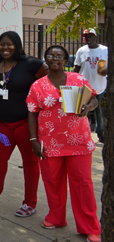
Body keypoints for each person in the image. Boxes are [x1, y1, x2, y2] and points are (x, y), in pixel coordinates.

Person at [27, 45, 101, 242]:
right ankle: (56, 217)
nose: (54, 59)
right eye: (50, 55)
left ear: (66, 60)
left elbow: (94, 98)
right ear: (46, 59)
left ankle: (90, 227)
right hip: (49, 142)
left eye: (59, 56)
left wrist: (88, 107)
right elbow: (32, 112)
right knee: (52, 182)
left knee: (83, 184)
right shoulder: (38, 85)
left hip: (79, 142)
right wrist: (33, 140)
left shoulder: (78, 79)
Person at [0, 31, 47, 218]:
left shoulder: (32, 64)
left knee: (30, 163)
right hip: (3, 127)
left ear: (18, 45)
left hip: (25, 126)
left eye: (10, 44)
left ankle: (30, 203)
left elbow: (49, 83)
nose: (5, 48)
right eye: (2, 44)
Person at [73, 28, 108, 143]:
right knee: (84, 111)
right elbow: (76, 67)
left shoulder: (104, 50)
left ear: (95, 37)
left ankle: (101, 134)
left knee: (99, 112)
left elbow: (108, 66)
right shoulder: (81, 50)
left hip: (100, 86)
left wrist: (106, 71)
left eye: (91, 36)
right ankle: (84, 134)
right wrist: (71, 79)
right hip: (85, 87)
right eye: (86, 36)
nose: (88, 38)